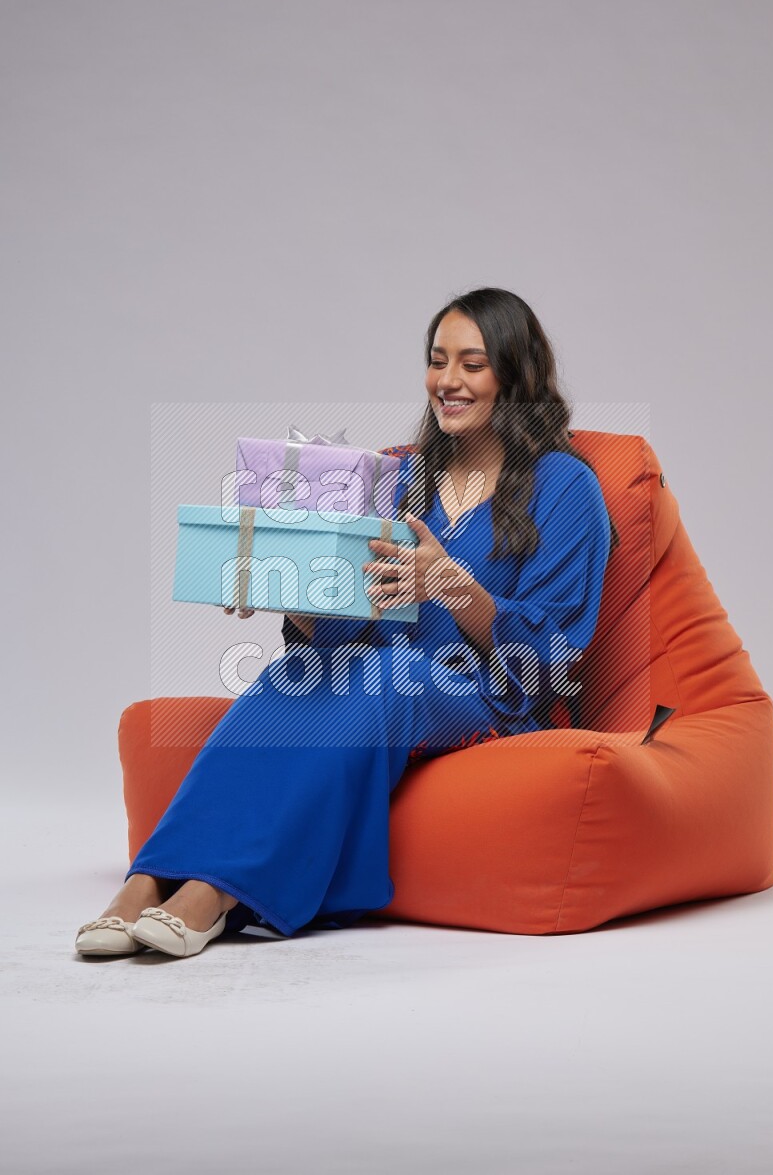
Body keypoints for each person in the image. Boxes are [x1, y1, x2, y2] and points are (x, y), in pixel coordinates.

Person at [75, 286, 618, 959]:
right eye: (436, 359)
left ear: (515, 375)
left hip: (489, 698)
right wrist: (285, 587)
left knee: (389, 672)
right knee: (295, 672)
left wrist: (450, 583)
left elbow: (550, 656)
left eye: (471, 364)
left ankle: (217, 893)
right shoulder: (401, 478)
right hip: (387, 679)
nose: (446, 381)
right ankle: (148, 877)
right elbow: (346, 624)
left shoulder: (566, 487)